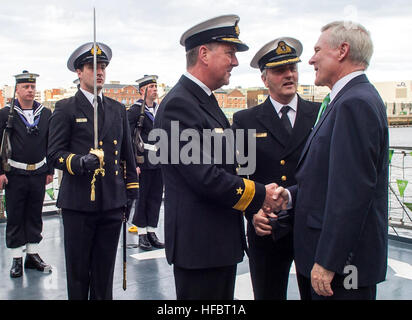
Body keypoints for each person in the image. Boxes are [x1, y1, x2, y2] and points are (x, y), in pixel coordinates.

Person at [153, 14, 280, 300]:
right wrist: (261, 195)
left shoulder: (204, 100)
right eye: (230, 53)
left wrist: (252, 207)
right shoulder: (178, 105)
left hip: (216, 243)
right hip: (199, 248)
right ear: (204, 54)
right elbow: (204, 177)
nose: (235, 62)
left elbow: (229, 163)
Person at [271, 21, 389, 300]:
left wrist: (328, 262)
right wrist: (288, 196)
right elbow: (328, 180)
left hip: (342, 268)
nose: (310, 59)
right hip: (334, 261)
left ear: (342, 51)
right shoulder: (345, 100)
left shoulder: (354, 103)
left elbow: (351, 194)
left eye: (317, 50)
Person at [47, 42, 139, 300]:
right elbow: (53, 154)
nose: (99, 72)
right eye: (92, 67)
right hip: (78, 204)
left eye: (102, 67)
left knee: (104, 273)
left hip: (111, 203)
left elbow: (127, 156)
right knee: (78, 275)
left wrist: (131, 193)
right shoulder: (65, 108)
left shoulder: (117, 109)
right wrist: (78, 162)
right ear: (79, 72)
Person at [232, 37, 319, 300]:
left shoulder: (319, 113)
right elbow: (238, 174)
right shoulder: (245, 119)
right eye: (280, 70)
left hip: (309, 225)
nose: (289, 75)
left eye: (293, 68)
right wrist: (251, 213)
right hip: (266, 227)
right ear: (264, 78)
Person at [0, 71, 53, 278]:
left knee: (35, 214)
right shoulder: (4, 115)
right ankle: (17, 258)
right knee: (16, 216)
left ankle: (32, 255)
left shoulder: (45, 114)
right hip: (15, 174)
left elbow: (50, 143)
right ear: (17, 89)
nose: (30, 90)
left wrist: (50, 170)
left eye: (33, 87)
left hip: (38, 172)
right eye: (26, 87)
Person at [127, 75, 164, 251]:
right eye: (151, 86)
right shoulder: (135, 111)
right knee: (142, 198)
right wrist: (133, 164)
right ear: (142, 90)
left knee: (155, 197)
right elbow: (127, 138)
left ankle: (152, 231)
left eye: (156, 86)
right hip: (143, 159)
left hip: (159, 159)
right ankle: (141, 233)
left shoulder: (160, 109)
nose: (155, 89)